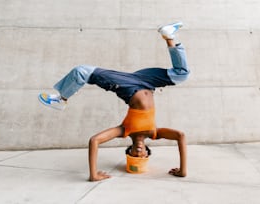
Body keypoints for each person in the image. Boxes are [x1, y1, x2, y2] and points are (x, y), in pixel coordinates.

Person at [38, 22, 190, 181]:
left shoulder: (124, 130)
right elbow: (180, 135)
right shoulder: (154, 133)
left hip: (128, 86)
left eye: (134, 155)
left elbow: (94, 140)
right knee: (182, 74)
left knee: (82, 71)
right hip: (146, 81)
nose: (138, 153)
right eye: (142, 155)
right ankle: (169, 36)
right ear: (147, 151)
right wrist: (183, 171)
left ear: (129, 151)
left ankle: (61, 99)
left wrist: (93, 174)